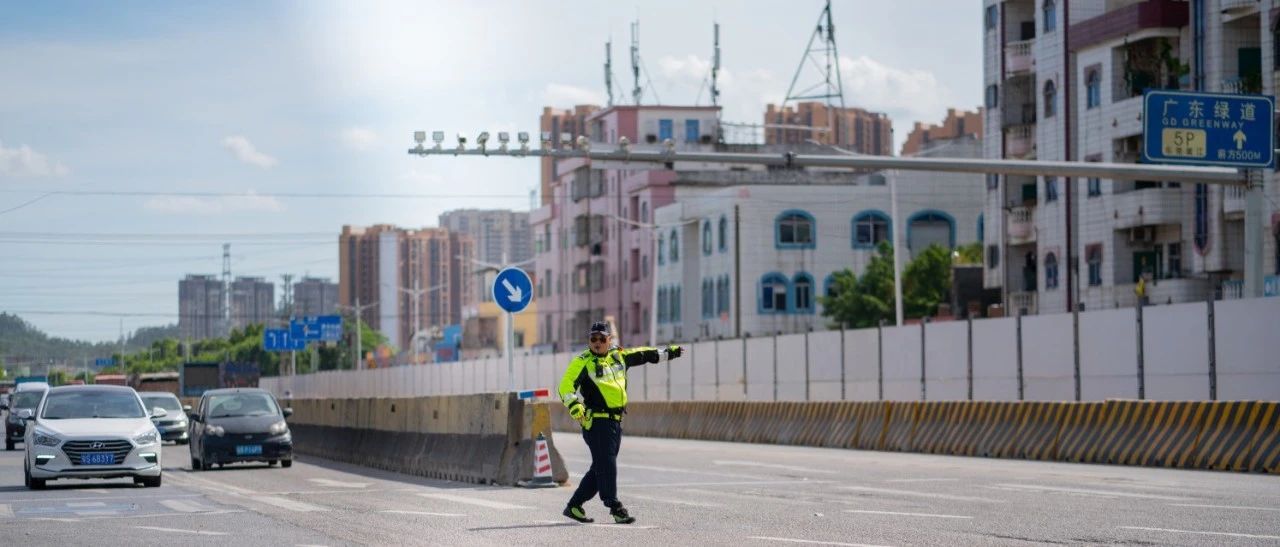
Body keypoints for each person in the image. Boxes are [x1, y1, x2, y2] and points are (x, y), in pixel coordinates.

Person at [559, 321, 682, 524]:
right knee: (606, 464)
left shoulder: (619, 356)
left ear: (609, 340)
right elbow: (565, 386)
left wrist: (670, 352)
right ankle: (615, 507)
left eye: (601, 338)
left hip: (615, 422)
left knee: (600, 467)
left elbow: (644, 354)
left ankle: (574, 505)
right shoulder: (583, 361)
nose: (597, 343)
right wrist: (574, 405)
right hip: (596, 421)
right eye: (593, 339)